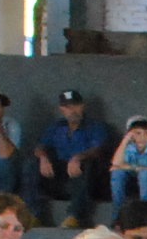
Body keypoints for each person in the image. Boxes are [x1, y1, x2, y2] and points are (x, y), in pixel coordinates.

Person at [33, 92, 109, 227]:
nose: (72, 110)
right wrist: (43, 157)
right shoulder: (57, 126)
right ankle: (33, 214)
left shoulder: (94, 126)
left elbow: (98, 149)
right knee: (31, 164)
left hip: (83, 174)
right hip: (59, 174)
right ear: (62, 109)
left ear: (82, 106)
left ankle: (74, 216)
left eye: (75, 106)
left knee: (86, 164)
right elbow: (40, 145)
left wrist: (78, 157)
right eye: (67, 107)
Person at [104, 116, 147, 218]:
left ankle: (146, 217)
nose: (143, 136)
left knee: (145, 174)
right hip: (134, 183)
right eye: (138, 133)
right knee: (117, 173)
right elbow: (116, 164)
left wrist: (132, 167)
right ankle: (118, 217)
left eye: (146, 133)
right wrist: (125, 140)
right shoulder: (129, 148)